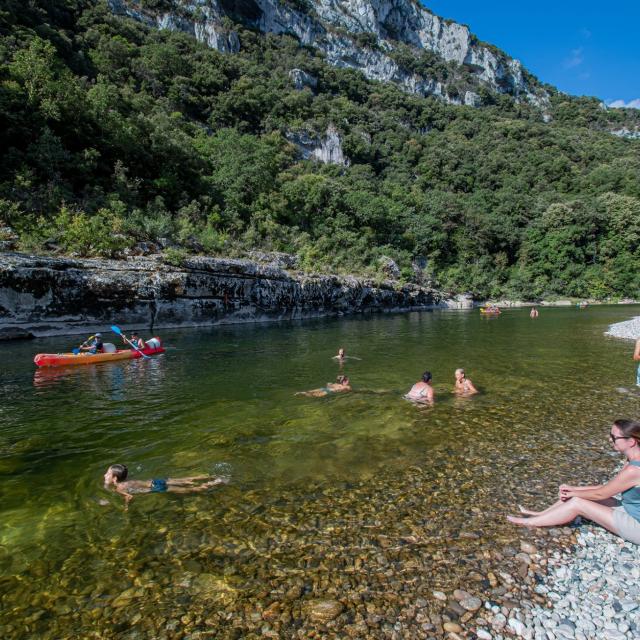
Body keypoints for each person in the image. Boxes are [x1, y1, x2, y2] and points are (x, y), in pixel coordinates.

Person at [507, 419, 640, 545]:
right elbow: (605, 487)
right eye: (610, 435)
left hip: (636, 526)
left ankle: (530, 523)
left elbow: (601, 494)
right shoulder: (631, 460)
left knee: (577, 503)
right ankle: (541, 514)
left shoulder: (633, 469)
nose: (609, 439)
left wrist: (573, 493)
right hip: (630, 510)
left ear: (631, 442)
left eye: (614, 437)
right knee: (576, 495)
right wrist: (572, 489)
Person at [103, 464, 227, 507]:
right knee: (187, 480)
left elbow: (129, 497)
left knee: (192, 489)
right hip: (156, 481)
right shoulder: (128, 480)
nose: (104, 475)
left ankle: (214, 483)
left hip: (157, 488)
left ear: (114, 478)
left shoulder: (120, 488)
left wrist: (125, 507)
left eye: (107, 473)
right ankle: (210, 476)